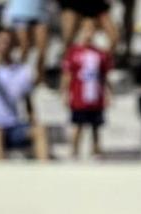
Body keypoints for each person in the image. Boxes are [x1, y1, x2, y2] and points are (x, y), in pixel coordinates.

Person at [0, 29, 49, 160]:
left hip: (12, 126)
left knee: (39, 131)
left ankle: (46, 173)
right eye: (1, 42)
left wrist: (33, 119)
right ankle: (0, 175)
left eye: (8, 42)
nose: (4, 46)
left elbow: (27, 99)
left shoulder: (22, 70)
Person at [61, 19, 112, 158]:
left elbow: (105, 76)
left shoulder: (101, 54)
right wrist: (64, 93)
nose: (88, 34)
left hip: (95, 95)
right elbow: (68, 74)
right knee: (78, 124)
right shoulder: (73, 52)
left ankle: (96, 150)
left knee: (96, 125)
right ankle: (74, 150)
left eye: (91, 30)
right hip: (79, 95)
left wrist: (108, 93)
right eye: (85, 30)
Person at [4, 0, 49, 83]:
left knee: (42, 48)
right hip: (20, 9)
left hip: (40, 9)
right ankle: (19, 77)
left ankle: (40, 79)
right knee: (24, 47)